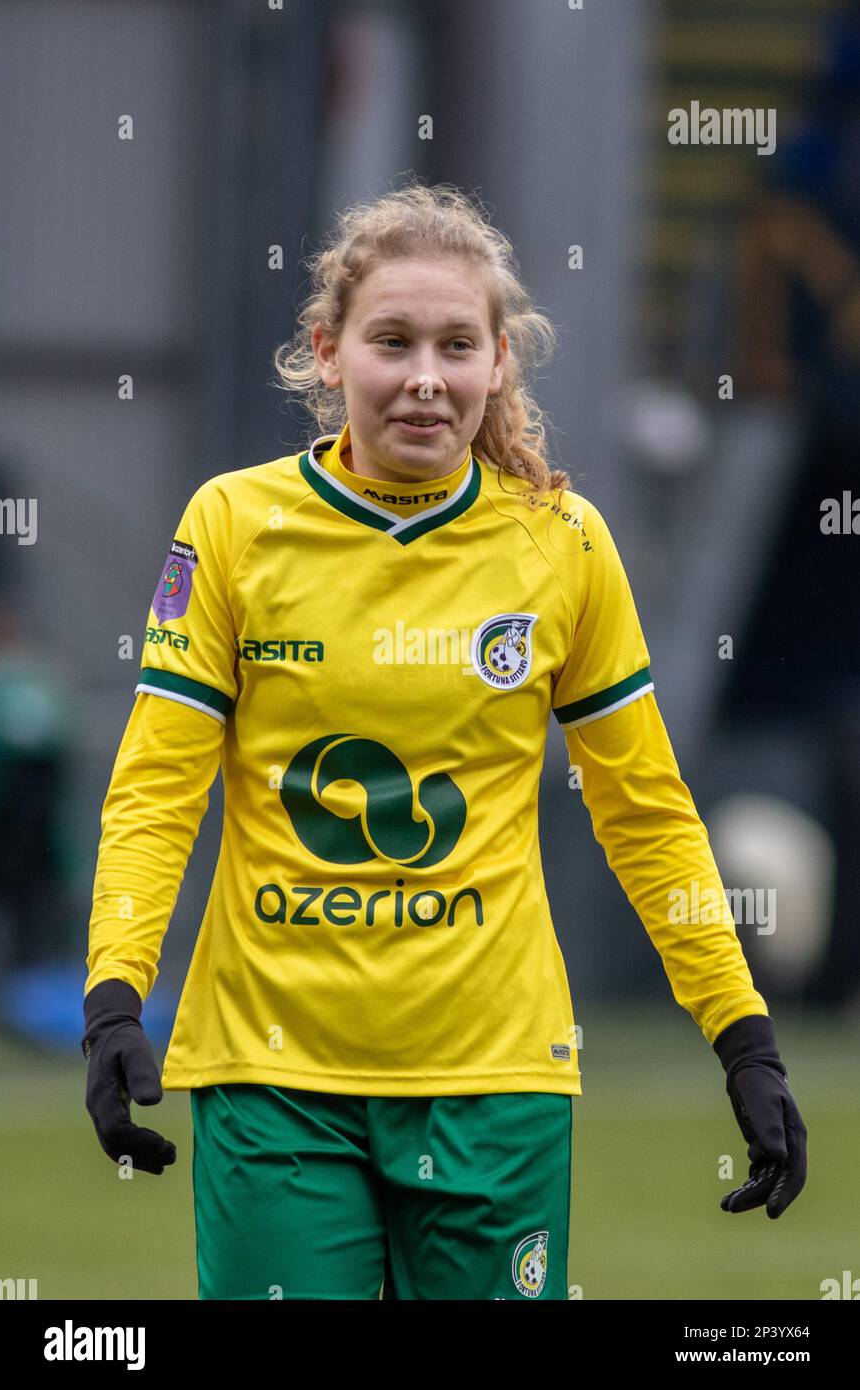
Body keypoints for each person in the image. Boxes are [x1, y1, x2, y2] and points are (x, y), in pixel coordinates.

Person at [82, 181, 806, 1301]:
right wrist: (113, 996)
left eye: (456, 344)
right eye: (392, 340)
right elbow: (155, 788)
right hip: (273, 1076)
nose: (426, 373)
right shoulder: (230, 525)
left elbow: (645, 810)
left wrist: (739, 1032)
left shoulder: (561, 545)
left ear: (496, 362)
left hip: (496, 1083)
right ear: (327, 353)